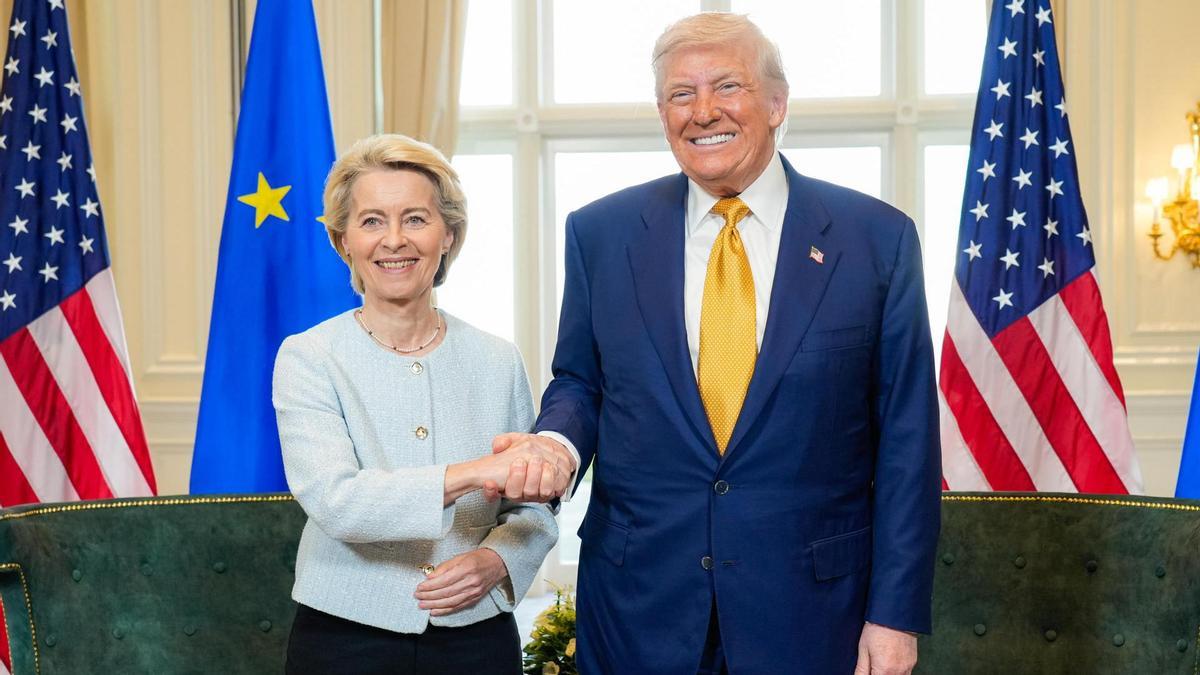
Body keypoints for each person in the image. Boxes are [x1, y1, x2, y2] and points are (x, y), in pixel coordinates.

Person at [491, 12, 941, 674]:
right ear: (662, 113)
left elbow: (907, 439)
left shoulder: (875, 238)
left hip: (813, 613)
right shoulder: (602, 233)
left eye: (727, 86)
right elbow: (581, 382)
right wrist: (556, 444)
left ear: (777, 103)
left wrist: (895, 614)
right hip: (640, 607)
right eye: (681, 94)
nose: (703, 112)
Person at [272, 134, 568, 674]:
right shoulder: (308, 356)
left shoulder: (498, 358)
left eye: (415, 219)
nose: (394, 240)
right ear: (343, 241)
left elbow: (533, 508)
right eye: (371, 221)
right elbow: (337, 500)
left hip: (477, 636)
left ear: (447, 234)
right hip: (343, 639)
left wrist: (498, 559)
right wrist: (477, 471)